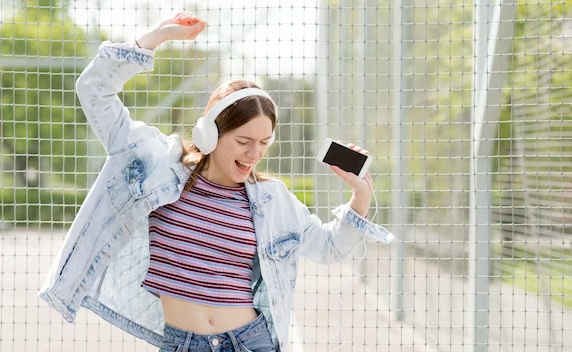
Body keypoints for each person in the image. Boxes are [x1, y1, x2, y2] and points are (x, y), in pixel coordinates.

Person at [39, 11, 394, 352]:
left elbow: (329, 247)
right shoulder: (158, 166)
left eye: (264, 143)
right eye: (243, 141)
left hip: (249, 341)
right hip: (182, 343)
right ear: (209, 132)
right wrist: (155, 37)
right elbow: (94, 91)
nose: (254, 154)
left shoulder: (274, 200)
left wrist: (360, 196)